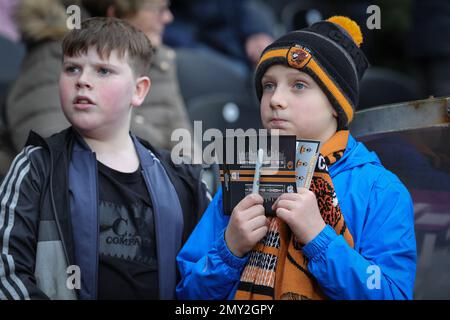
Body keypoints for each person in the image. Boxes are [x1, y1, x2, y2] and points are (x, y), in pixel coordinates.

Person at [176, 16, 417, 300]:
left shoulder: (381, 189)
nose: (276, 99)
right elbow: (187, 295)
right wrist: (229, 249)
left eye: (298, 85)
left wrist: (319, 238)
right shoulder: (244, 175)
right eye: (268, 85)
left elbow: (393, 294)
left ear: (335, 106)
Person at [0, 17, 209, 300]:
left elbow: (209, 272)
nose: (82, 81)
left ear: (139, 90)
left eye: (103, 71)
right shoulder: (36, 167)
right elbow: (7, 271)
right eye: (72, 68)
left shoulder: (182, 178)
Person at [6, 0, 195, 157]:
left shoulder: (160, 60)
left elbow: (186, 149)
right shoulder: (57, 55)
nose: (168, 17)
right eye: (157, 9)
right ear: (115, 15)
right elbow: (48, 151)